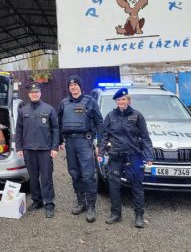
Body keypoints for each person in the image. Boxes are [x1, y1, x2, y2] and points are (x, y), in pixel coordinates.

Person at [97, 88, 153, 229]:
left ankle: (139, 216)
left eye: (123, 99)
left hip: (133, 156)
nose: (121, 102)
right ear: (116, 102)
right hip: (116, 156)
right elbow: (104, 136)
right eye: (118, 100)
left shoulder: (137, 116)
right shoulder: (110, 116)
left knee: (137, 186)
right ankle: (116, 214)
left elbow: (145, 138)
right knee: (114, 186)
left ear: (128, 100)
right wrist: (101, 153)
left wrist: (149, 156)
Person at [57, 75, 103, 223]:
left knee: (88, 175)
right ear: (69, 88)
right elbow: (58, 123)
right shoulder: (64, 103)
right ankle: (81, 202)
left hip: (85, 142)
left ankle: (91, 206)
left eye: (76, 85)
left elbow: (99, 123)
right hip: (70, 143)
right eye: (71, 86)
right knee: (74, 173)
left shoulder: (90, 101)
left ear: (80, 87)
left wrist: (98, 143)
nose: (73, 87)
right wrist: (59, 141)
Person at [15, 82, 59, 218]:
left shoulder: (49, 109)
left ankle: (49, 203)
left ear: (40, 93)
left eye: (37, 92)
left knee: (46, 178)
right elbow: (19, 130)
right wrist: (19, 147)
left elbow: (55, 129)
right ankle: (37, 201)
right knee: (33, 178)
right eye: (32, 92)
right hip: (28, 149)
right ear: (28, 94)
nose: (35, 94)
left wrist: (54, 147)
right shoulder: (23, 111)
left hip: (45, 149)